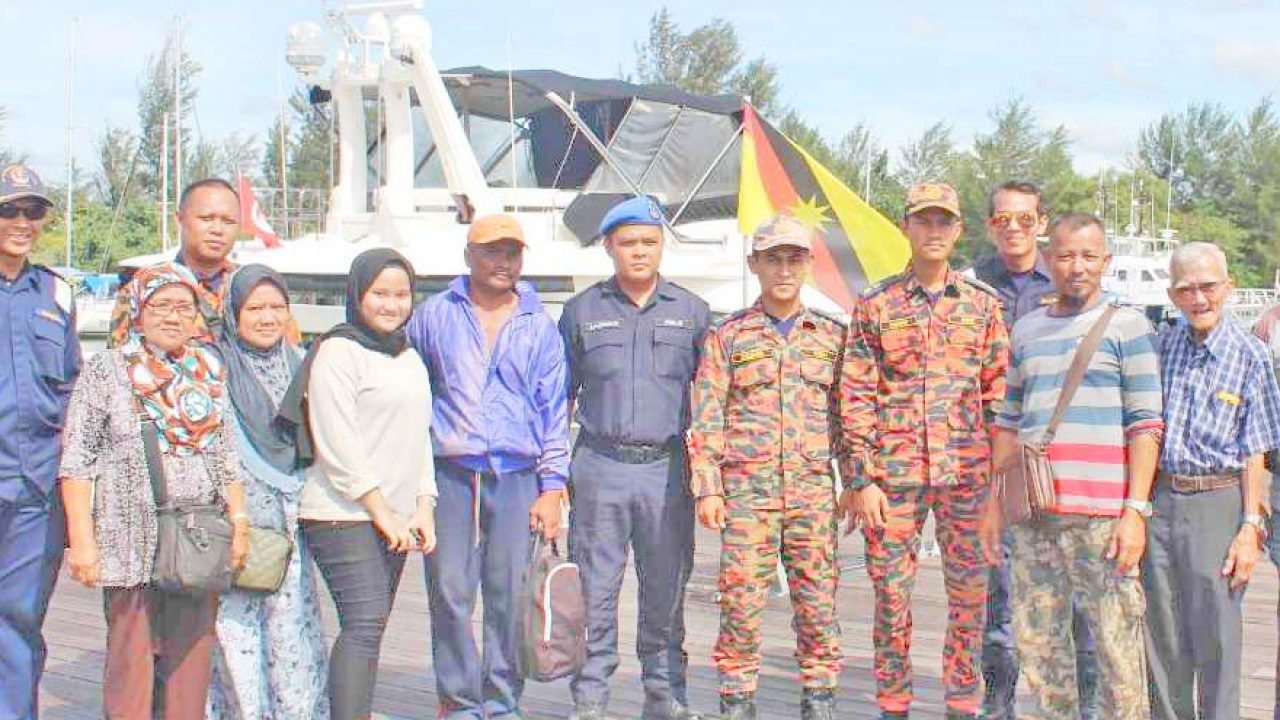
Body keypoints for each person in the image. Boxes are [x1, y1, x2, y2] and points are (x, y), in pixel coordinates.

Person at [979, 213, 1163, 720]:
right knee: (1041, 651)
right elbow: (1009, 422)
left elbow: (1146, 425)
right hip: (1034, 517)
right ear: (1049, 259)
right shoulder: (1027, 329)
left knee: (1117, 654)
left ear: (1106, 261)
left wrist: (1135, 512)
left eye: (1088, 256)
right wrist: (994, 505)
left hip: (1103, 522)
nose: (1076, 266)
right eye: (1064, 256)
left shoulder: (1129, 326)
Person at [840, 183, 1008, 720]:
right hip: (893, 478)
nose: (934, 231)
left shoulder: (983, 306)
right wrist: (861, 479)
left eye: (944, 221)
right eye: (923, 220)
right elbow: (856, 394)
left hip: (967, 476)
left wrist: (998, 486)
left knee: (970, 600)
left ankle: (961, 701)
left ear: (958, 230)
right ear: (906, 227)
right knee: (891, 598)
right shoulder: (876, 304)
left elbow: (999, 398)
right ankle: (893, 702)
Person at [58, 262, 250, 720]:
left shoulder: (207, 370)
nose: (173, 316)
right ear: (139, 312)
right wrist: (82, 542)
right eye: (161, 305)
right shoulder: (107, 370)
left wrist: (239, 523)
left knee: (190, 668)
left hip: (197, 538)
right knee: (131, 664)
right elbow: (78, 459)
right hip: (129, 540)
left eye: (184, 306)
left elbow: (226, 457)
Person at [406, 214, 570, 720]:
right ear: (468, 256)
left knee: (509, 594)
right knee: (450, 590)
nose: (503, 262)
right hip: (452, 474)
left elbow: (554, 409)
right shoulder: (434, 315)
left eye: (512, 252)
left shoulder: (539, 324)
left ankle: (501, 701)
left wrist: (553, 487)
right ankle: (458, 700)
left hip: (517, 476)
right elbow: (409, 388)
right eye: (491, 251)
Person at [687, 215, 845, 720]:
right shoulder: (729, 335)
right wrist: (708, 487)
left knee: (818, 606)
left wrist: (856, 482)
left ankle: (819, 700)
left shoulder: (831, 337)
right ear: (754, 264)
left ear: (808, 263)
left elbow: (847, 417)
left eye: (794, 258)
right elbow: (707, 415)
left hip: (812, 496)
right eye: (773, 259)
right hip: (747, 497)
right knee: (740, 606)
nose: (784, 269)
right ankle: (737, 702)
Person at [559, 197, 710, 720]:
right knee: (594, 592)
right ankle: (590, 701)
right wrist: (551, 479)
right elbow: (558, 398)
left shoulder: (692, 312)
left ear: (661, 245)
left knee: (665, 592)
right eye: (628, 243)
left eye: (649, 241)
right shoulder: (582, 311)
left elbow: (711, 400)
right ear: (609, 247)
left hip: (666, 471)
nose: (639, 251)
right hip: (599, 467)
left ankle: (665, 698)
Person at [285, 248, 438, 720]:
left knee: (372, 627)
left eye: (401, 294)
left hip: (394, 516)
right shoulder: (337, 351)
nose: (392, 304)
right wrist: (380, 510)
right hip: (341, 512)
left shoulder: (408, 355)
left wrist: (424, 504)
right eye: (380, 294)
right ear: (357, 295)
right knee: (365, 622)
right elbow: (337, 441)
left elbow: (419, 434)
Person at [972, 180, 1097, 720]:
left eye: (1025, 219)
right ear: (990, 226)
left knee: (1077, 591)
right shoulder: (973, 285)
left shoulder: (1069, 278)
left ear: (1042, 224)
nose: (1014, 228)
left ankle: (1083, 706)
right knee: (1000, 589)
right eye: (1003, 219)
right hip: (997, 456)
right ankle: (999, 701)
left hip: (1062, 455)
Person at [1146, 242, 1280, 720]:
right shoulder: (1161, 347)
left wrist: (1250, 528)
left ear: (1229, 287)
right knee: (1161, 634)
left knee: (1218, 636)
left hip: (1219, 499)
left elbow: (1255, 452)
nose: (1198, 298)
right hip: (1162, 498)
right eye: (1186, 289)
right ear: (1171, 294)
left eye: (1208, 287)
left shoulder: (1252, 355)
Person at [206, 265, 329, 719]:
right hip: (236, 525)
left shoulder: (301, 363)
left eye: (277, 306)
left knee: (292, 631)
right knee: (237, 634)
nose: (267, 317)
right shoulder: (213, 367)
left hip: (291, 524)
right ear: (233, 312)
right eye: (255, 308)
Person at [0, 164, 81, 719]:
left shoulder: (57, 292)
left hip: (36, 486)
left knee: (20, 616)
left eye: (33, 211)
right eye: (9, 210)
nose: (22, 222)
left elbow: (74, 386)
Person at [108, 178, 242, 347]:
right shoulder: (143, 287)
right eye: (206, 219)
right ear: (180, 220)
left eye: (228, 221)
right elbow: (118, 356)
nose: (218, 230)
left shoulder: (250, 288)